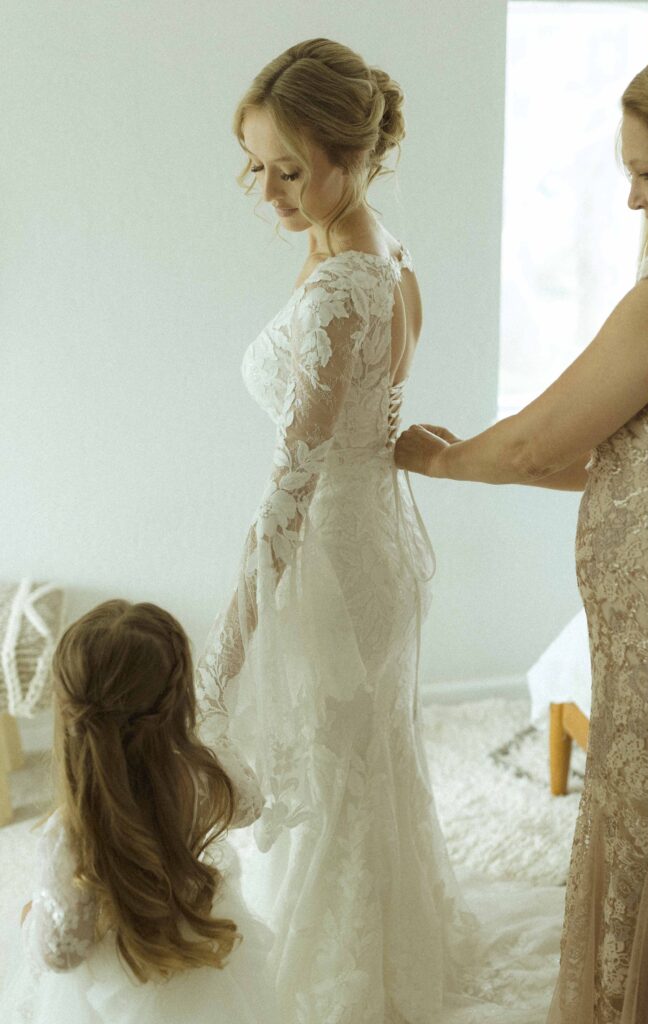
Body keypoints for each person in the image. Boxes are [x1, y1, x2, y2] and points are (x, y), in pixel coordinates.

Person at [395, 40, 648, 1024]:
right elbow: (639, 458)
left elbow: (549, 430)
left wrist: (434, 457)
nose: (633, 200)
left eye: (646, 172)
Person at [194, 37, 494, 1024]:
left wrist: (234, 631)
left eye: (291, 168)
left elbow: (293, 482)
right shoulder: (384, 256)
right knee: (364, 764)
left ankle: (333, 995)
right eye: (257, 166)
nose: (269, 190)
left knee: (329, 779)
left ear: (355, 158)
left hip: (329, 557)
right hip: (380, 546)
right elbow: (375, 422)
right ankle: (383, 962)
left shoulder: (337, 288)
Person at [0, 600, 275, 1024]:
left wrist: (30, 922)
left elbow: (61, 952)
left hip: (112, 987)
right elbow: (250, 806)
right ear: (178, 703)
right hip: (198, 952)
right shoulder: (199, 776)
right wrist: (214, 741)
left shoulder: (69, 832)